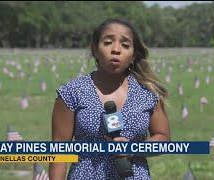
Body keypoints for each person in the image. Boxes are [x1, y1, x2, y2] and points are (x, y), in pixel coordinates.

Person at [49, 18, 170, 180]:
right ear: (94, 49)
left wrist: (134, 148)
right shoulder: (72, 92)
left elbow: (163, 138)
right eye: (107, 43)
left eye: (125, 45)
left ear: (133, 55)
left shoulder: (148, 94)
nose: (116, 49)